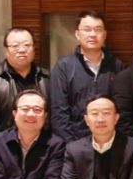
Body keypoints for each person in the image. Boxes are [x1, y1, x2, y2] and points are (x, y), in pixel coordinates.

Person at [49, 10, 125, 141]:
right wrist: (73, 145)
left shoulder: (117, 66)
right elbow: (58, 113)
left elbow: (122, 108)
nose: (93, 34)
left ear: (105, 34)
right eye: (87, 29)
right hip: (74, 143)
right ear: (77, 34)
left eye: (98, 30)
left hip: (111, 141)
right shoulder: (64, 67)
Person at [0, 27, 50, 143]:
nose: (22, 50)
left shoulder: (47, 78)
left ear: (33, 49)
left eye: (27, 45)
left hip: (43, 146)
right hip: (5, 147)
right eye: (15, 46)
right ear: (6, 50)